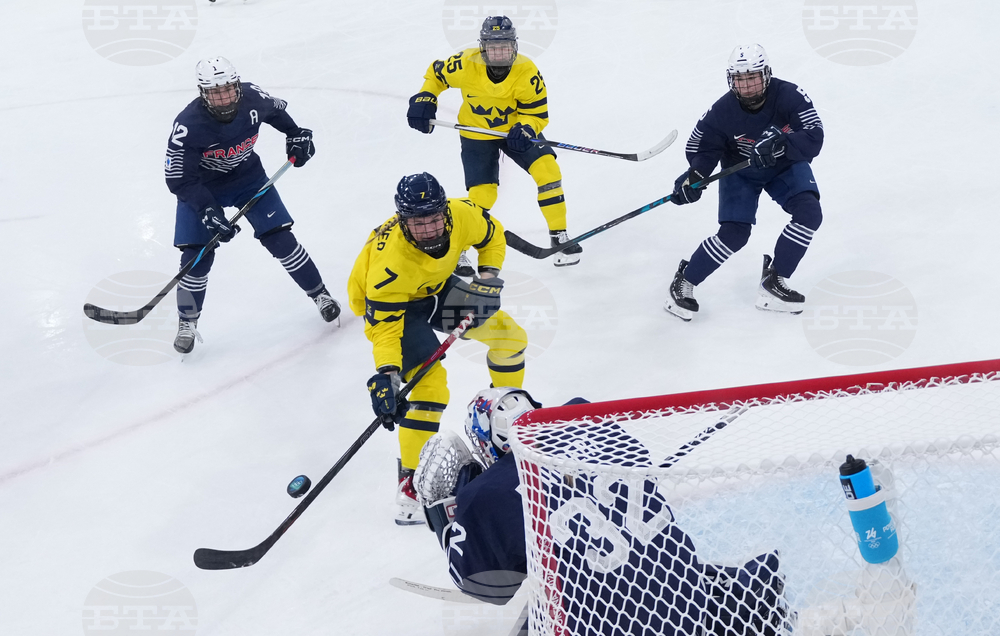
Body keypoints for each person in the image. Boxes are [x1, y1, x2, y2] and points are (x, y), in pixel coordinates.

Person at [413, 388, 796, 636]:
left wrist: (448, 509)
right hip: (688, 605)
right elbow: (639, 464)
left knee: (540, 618)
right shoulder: (587, 417)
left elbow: (486, 587)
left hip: (608, 624)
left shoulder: (488, 494)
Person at [347, 172, 529, 525]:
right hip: (392, 306)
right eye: (418, 223)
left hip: (433, 286)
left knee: (510, 338)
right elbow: (385, 329)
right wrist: (387, 374)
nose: (429, 229)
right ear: (403, 222)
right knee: (430, 387)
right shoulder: (389, 266)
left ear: (444, 211)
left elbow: (493, 236)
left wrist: (486, 280)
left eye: (433, 218)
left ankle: (503, 424)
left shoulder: (461, 213)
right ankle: (412, 480)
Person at [164, 56, 340, 354]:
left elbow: (277, 113)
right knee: (196, 257)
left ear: (237, 86)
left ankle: (320, 294)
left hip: (248, 178)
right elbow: (178, 179)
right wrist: (206, 210)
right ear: (203, 93)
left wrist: (295, 133)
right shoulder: (188, 125)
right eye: (215, 92)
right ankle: (187, 322)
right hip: (202, 188)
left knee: (281, 239)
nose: (224, 97)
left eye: (229, 89)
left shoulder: (254, 97)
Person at [406, 15, 582, 272]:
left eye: (504, 47)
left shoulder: (527, 71)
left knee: (548, 170)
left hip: (515, 131)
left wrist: (526, 128)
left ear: (515, 46)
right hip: (475, 132)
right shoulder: (465, 63)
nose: (499, 54)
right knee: (482, 195)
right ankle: (460, 249)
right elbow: (436, 74)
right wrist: (425, 96)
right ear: (482, 47)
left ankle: (559, 236)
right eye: (493, 47)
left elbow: (537, 115)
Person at [665, 44, 824, 322]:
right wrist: (696, 176)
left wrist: (783, 144)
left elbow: (814, 135)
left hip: (784, 164)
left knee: (809, 213)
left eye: (753, 77)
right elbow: (701, 148)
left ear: (767, 74)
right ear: (731, 80)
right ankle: (684, 281)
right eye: (740, 79)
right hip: (741, 171)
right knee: (734, 234)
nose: (747, 86)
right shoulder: (722, 111)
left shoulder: (790, 95)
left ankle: (774, 282)